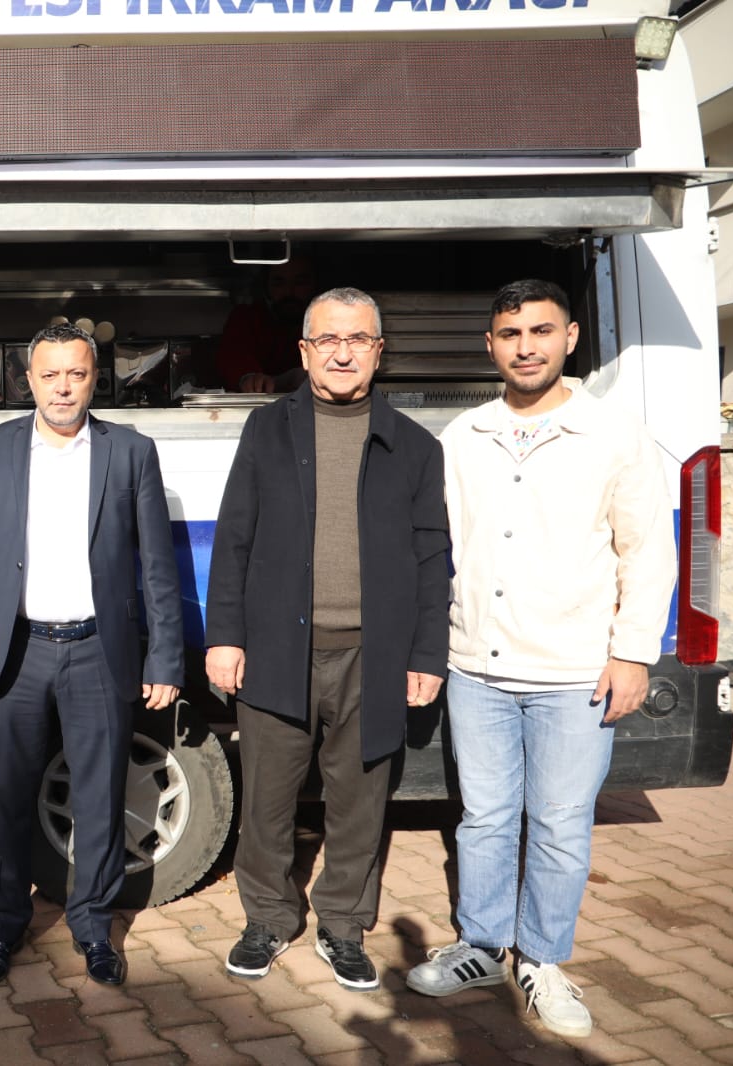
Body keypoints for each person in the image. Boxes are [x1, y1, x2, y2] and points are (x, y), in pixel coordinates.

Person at [405, 280, 675, 1039]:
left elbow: (646, 553)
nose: (524, 345)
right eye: (508, 333)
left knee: (558, 823)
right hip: (476, 668)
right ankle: (482, 946)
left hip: (573, 671)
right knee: (484, 819)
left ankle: (543, 960)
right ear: (488, 345)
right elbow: (439, 552)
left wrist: (631, 655)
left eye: (539, 331)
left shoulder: (613, 435)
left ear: (569, 338)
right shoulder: (464, 436)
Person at [205, 287, 449, 991]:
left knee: (358, 802)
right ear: (304, 351)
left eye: (359, 340)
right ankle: (268, 919)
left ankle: (343, 927)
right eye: (328, 340)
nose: (343, 352)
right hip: (278, 651)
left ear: (378, 352)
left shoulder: (414, 445)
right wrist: (224, 635)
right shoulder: (267, 432)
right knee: (267, 802)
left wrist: (425, 654)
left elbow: (432, 557)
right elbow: (235, 539)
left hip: (373, 657)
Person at [0, 321, 183, 988]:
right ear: (28, 379)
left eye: (76, 373)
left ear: (93, 377)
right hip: (15, 653)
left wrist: (163, 658)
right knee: (7, 801)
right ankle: (2, 930)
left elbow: (156, 568)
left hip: (95, 652)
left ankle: (92, 928)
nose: (63, 387)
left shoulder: (128, 452)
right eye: (49, 375)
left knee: (100, 799)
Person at [214, 257, 318, 393]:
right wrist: (249, 378)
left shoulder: (330, 319)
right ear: (266, 287)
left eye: (299, 283)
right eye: (279, 283)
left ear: (314, 285)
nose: (289, 292)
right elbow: (233, 356)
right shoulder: (247, 318)